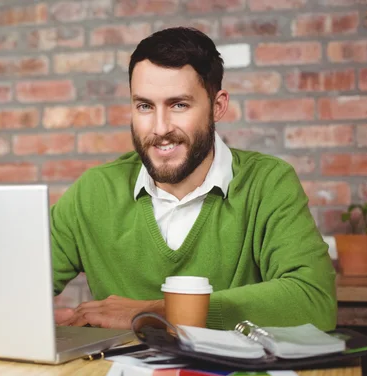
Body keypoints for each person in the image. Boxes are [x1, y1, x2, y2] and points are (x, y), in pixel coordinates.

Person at [51, 27, 337, 331]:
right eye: (145, 106)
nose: (160, 128)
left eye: (179, 105)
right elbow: (12, 285)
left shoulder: (268, 182)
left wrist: (156, 314)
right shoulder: (94, 191)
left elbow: (314, 300)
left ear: (218, 106)